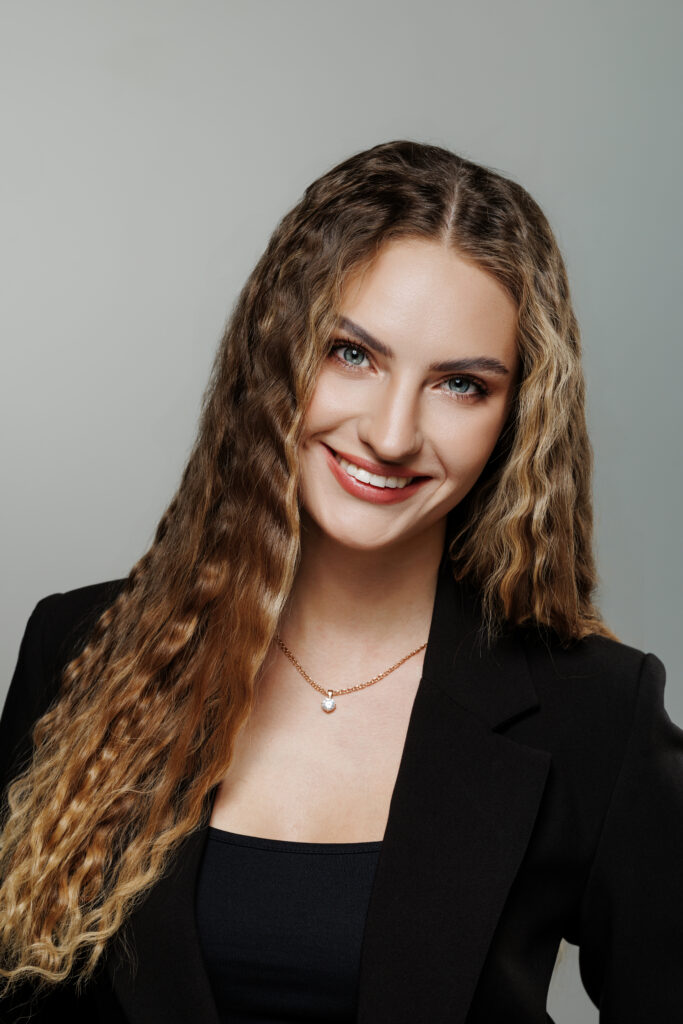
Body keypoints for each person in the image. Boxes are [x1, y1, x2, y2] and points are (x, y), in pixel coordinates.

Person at [1, 140, 681, 1024]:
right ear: (276, 350)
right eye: (351, 353)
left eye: (460, 384)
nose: (391, 435)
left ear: (516, 417)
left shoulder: (594, 713)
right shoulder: (77, 649)